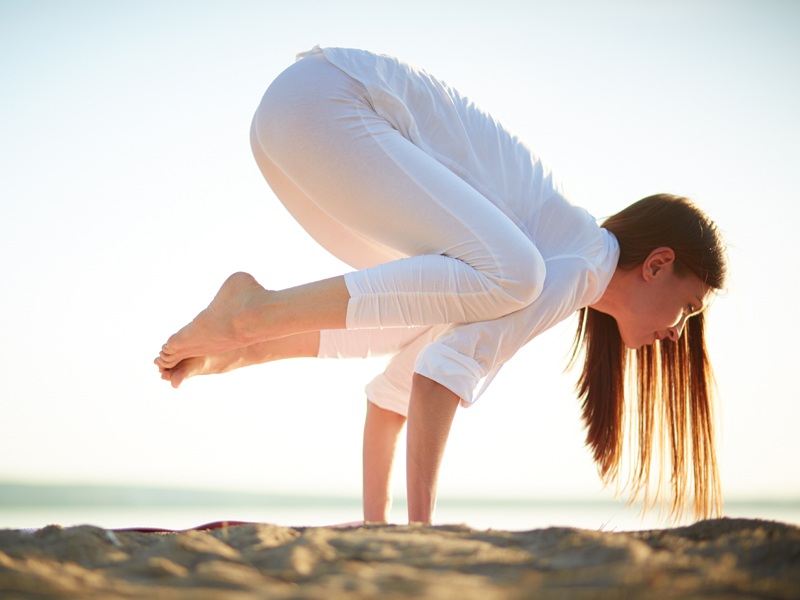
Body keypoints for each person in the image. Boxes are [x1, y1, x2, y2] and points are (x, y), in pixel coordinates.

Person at [155, 47, 727, 526]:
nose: (678, 333)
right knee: (514, 276)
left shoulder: (548, 262)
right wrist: (422, 533)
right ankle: (254, 311)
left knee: (423, 306)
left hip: (290, 123)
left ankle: (245, 343)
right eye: (688, 308)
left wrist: (376, 527)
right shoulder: (578, 266)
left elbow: (394, 397)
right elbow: (440, 379)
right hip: (332, 106)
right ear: (656, 265)